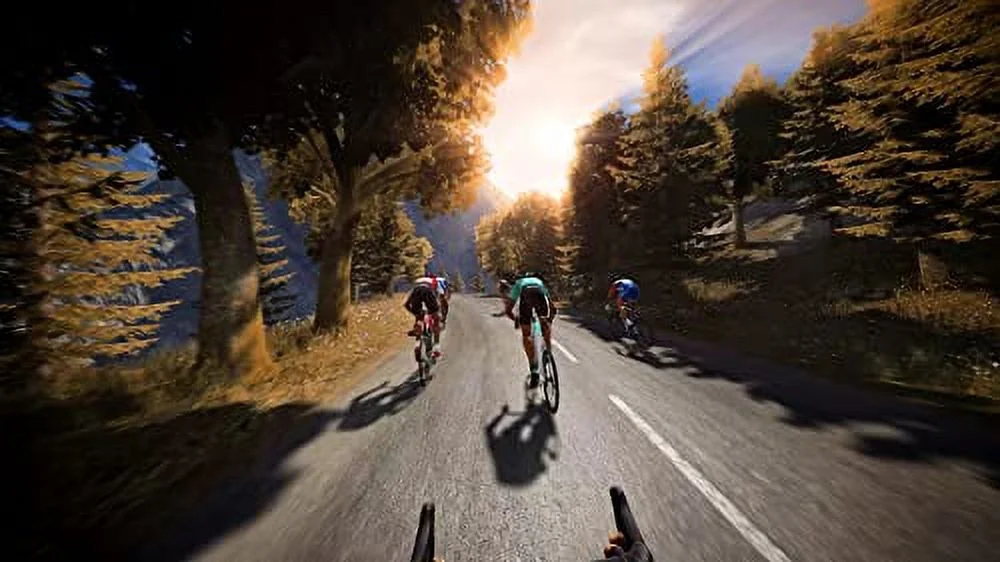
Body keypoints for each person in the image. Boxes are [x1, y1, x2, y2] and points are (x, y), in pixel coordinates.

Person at [503, 272, 555, 389]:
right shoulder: (539, 282)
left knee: (526, 334)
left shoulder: (519, 283)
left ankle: (534, 371)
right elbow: (551, 305)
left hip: (526, 296)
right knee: (545, 325)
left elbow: (508, 309)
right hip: (540, 293)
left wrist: (516, 320)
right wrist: (549, 320)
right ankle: (548, 353)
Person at [405, 274, 443, 358]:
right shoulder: (434, 281)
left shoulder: (416, 283)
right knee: (436, 319)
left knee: (419, 317)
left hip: (416, 293)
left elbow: (406, 304)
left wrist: (415, 313)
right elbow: (437, 297)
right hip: (428, 292)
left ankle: (417, 338)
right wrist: (436, 311)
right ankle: (436, 348)